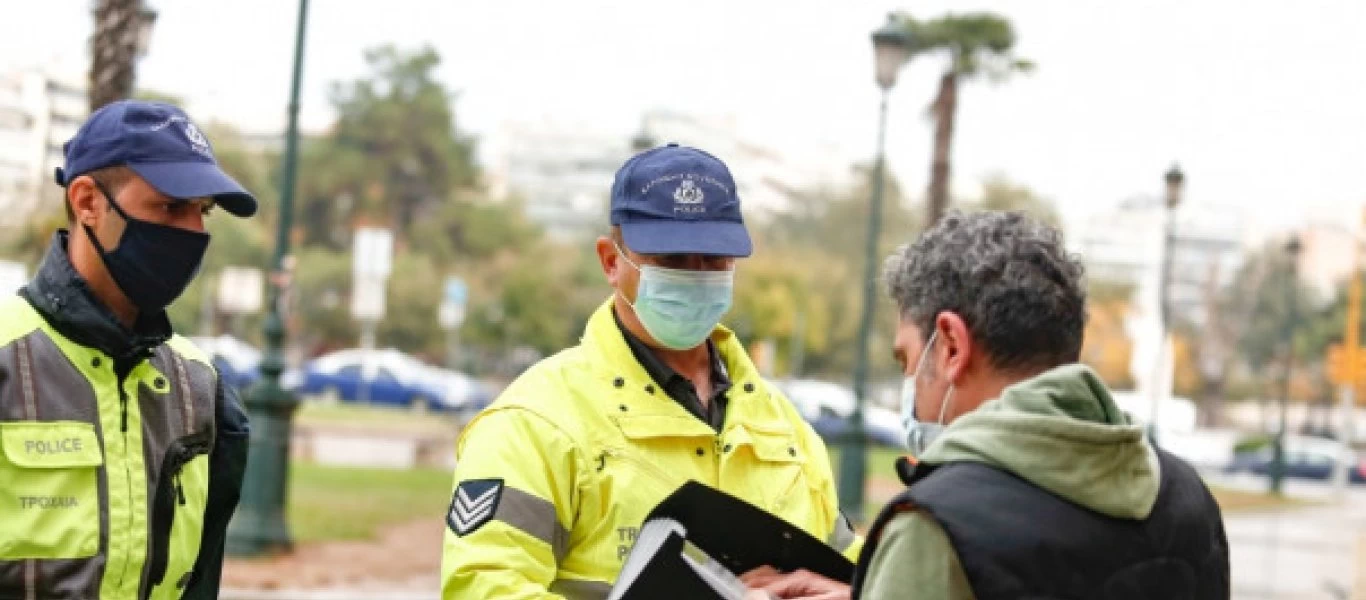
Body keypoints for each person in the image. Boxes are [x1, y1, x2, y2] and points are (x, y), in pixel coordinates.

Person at [441, 143, 859, 599]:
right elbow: (484, 589)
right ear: (611, 262)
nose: (696, 275)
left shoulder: (785, 429)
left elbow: (854, 572)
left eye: (713, 259)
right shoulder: (535, 423)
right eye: (672, 259)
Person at [744, 211, 1229, 600]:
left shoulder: (937, 528)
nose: (909, 384)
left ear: (951, 346)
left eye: (907, 359)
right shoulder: (1186, 498)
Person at [0, 100, 255, 599]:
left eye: (203, 211)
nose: (194, 232)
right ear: (87, 202)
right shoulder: (9, 362)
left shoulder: (204, 391)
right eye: (171, 207)